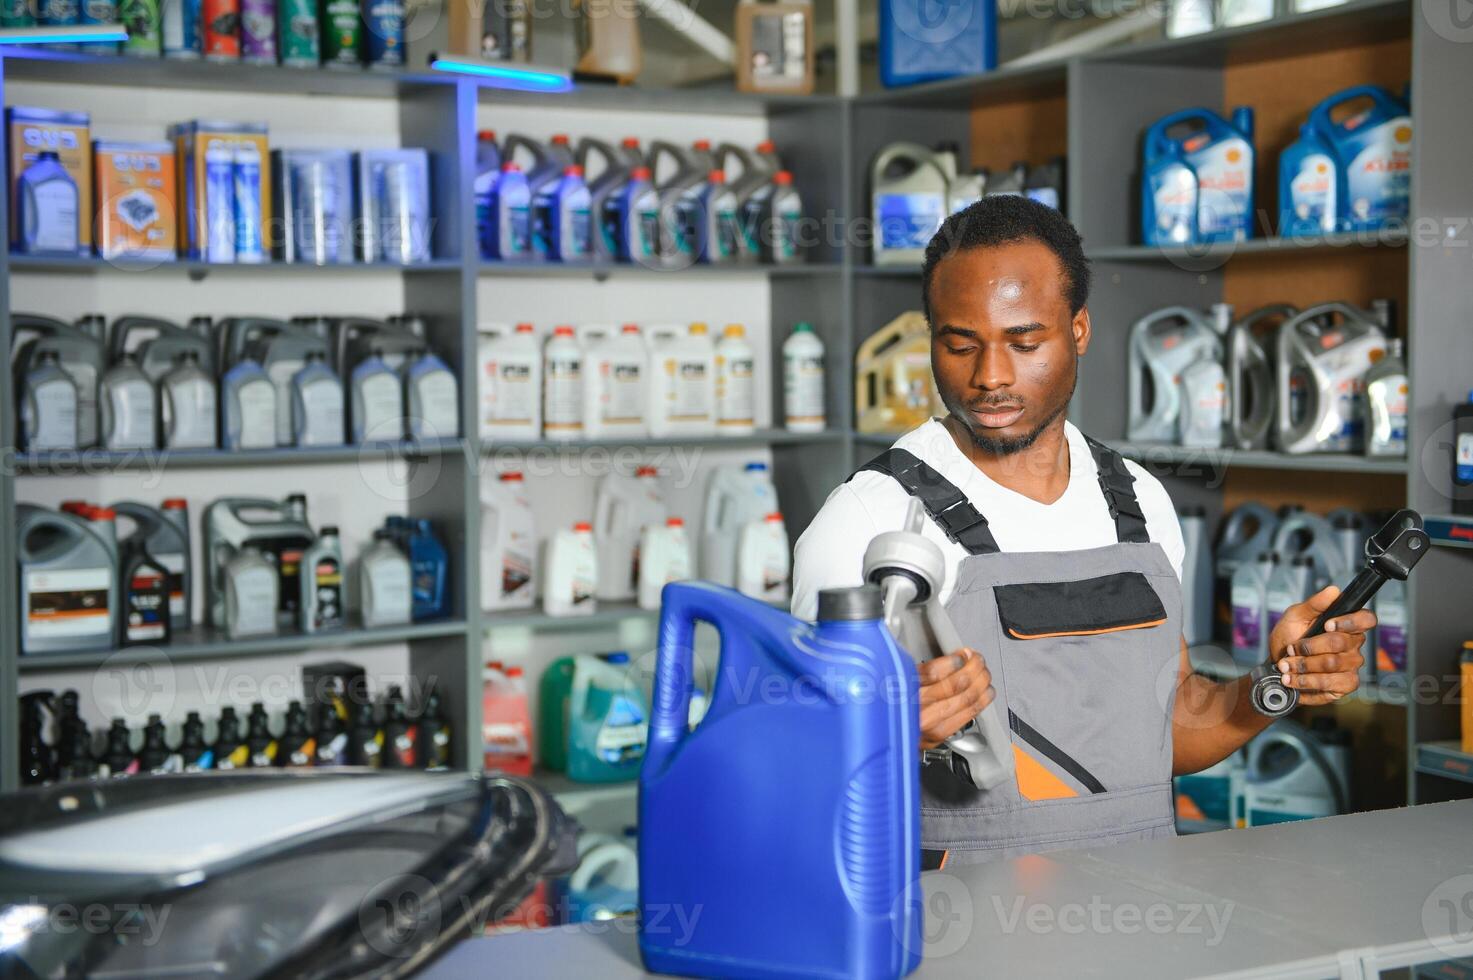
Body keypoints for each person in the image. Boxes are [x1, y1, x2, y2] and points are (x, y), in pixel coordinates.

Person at [792, 195, 1374, 868]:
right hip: (962, 943)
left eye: (1024, 342)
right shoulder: (869, 519)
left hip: (1143, 919)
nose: (990, 377)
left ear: (1078, 330)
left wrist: (1281, 680)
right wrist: (889, 733)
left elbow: (1172, 725)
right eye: (959, 344)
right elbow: (795, 774)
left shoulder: (1139, 502)